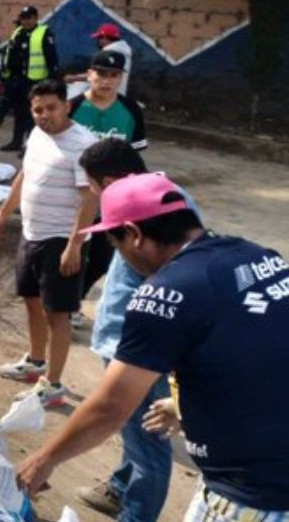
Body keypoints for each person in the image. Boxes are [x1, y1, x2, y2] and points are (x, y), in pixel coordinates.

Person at [16, 173, 289, 521]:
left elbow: (111, 405)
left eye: (116, 247)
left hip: (257, 493)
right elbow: (256, 351)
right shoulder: (254, 256)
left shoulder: (166, 292)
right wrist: (187, 406)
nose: (122, 257)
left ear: (134, 234)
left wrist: (43, 460)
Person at [71, 140, 199, 522]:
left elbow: (171, 282)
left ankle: (136, 514)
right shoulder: (166, 196)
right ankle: (120, 488)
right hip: (128, 339)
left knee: (147, 443)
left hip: (136, 347)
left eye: (93, 186)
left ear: (109, 181)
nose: (92, 194)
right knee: (135, 430)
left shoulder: (151, 214)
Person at [0, 80, 98, 408]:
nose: (44, 115)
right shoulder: (37, 134)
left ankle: (52, 386)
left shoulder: (83, 144)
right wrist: (4, 213)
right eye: (38, 109)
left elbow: (89, 199)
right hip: (31, 233)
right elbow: (26, 173)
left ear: (66, 106)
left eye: (51, 107)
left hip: (60, 240)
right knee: (31, 300)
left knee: (58, 313)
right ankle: (36, 362)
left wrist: (74, 245)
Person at [71, 49, 148, 299]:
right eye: (101, 74)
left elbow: (135, 160)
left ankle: (76, 298)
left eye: (114, 75)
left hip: (112, 200)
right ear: (89, 74)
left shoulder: (131, 111)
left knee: (102, 258)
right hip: (75, 195)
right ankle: (65, 303)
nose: (106, 81)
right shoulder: (71, 107)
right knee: (71, 251)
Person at [0, 6, 58, 152]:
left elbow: (51, 58)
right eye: (23, 18)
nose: (26, 21)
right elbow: (9, 55)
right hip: (17, 80)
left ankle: (30, 147)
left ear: (35, 18)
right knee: (18, 113)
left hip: (34, 81)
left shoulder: (43, 33)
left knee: (32, 115)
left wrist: (51, 80)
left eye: (29, 17)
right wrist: (3, 77)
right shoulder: (18, 32)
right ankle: (16, 142)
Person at [65, 23, 133, 96]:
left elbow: (99, 75)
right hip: (116, 95)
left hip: (104, 95)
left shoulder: (110, 53)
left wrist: (73, 78)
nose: (97, 42)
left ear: (104, 37)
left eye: (98, 38)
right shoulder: (124, 52)